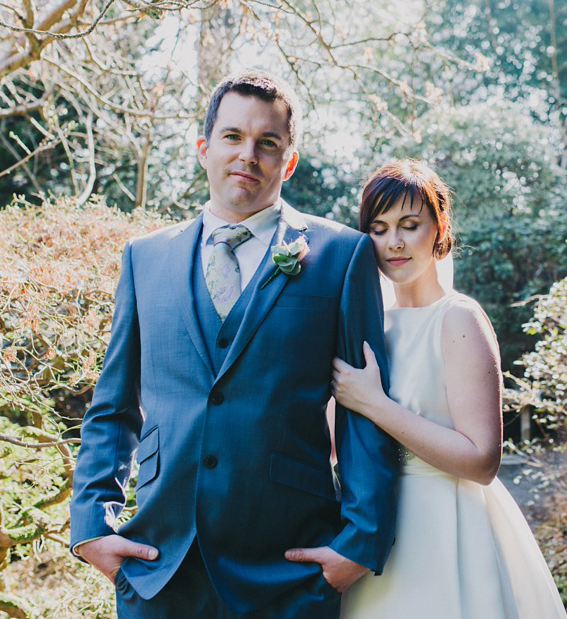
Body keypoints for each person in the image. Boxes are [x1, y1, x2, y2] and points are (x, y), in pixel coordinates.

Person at [69, 69, 400, 618]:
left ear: (287, 161)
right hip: (158, 563)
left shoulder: (343, 256)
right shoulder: (144, 259)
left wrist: (359, 542)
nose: (249, 154)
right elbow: (113, 406)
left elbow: (363, 408)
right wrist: (91, 529)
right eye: (233, 137)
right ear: (204, 148)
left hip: (292, 567)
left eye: (267, 143)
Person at [289, 159, 567, 618]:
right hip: (372, 534)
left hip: (447, 530)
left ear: (439, 229)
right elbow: (336, 450)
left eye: (409, 225)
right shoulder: (367, 327)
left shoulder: (458, 319)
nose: (393, 242)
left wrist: (376, 405)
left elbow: (482, 461)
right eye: (378, 229)